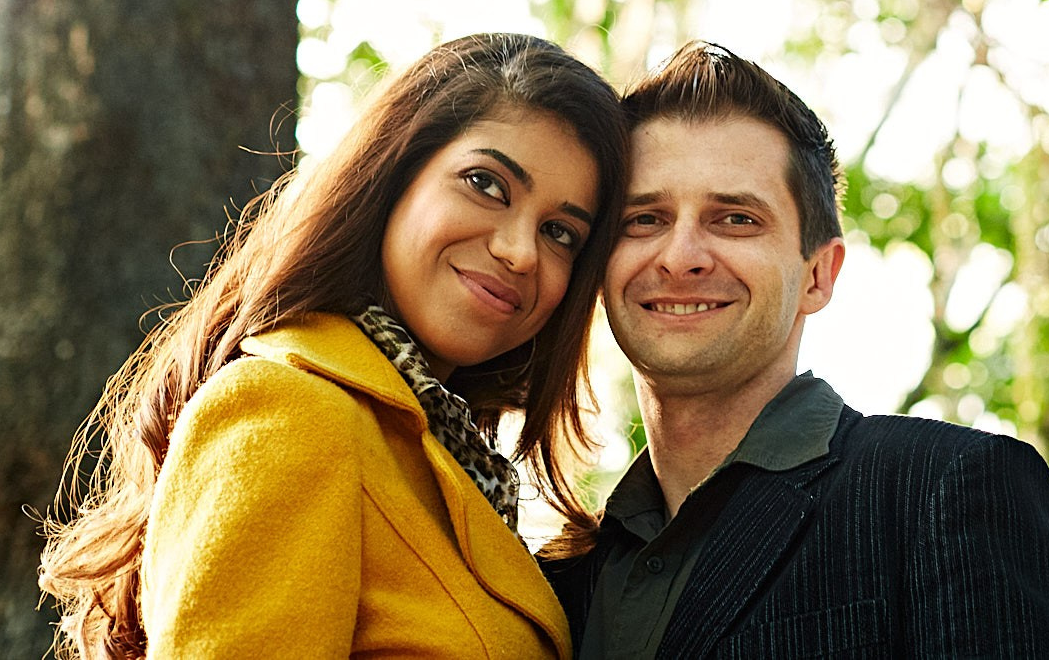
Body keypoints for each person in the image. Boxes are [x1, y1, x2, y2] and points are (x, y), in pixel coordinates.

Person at [39, 32, 628, 659]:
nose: (519, 250)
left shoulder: (437, 454)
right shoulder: (289, 412)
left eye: (560, 232)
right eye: (485, 184)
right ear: (392, 176)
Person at [544, 40, 1049, 659]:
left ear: (818, 275)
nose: (680, 257)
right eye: (643, 219)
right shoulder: (556, 583)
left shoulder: (945, 490)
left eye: (735, 219)